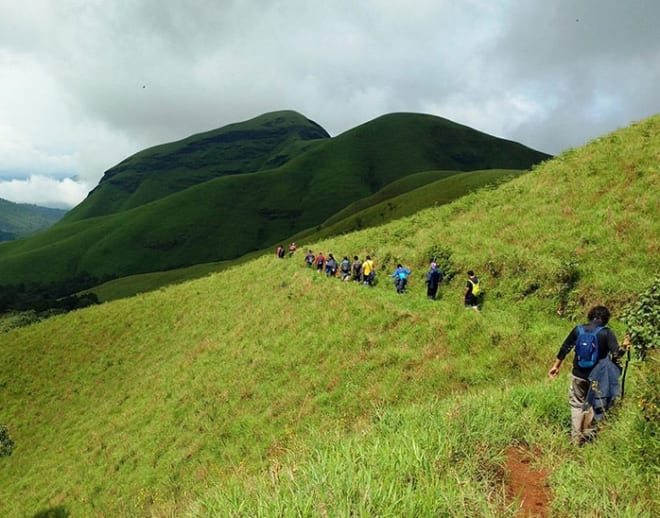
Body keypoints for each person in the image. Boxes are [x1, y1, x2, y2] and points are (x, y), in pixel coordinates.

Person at [548, 305, 622, 446]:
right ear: (606, 319)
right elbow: (616, 355)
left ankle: (576, 440)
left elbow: (565, 348)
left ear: (590, 316)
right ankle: (587, 438)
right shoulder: (607, 333)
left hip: (578, 375)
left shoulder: (578, 330)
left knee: (577, 405)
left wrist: (556, 366)